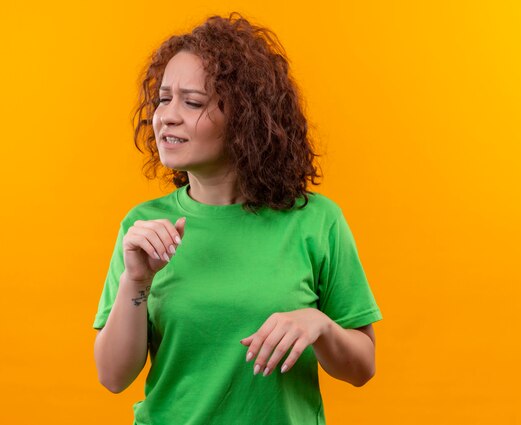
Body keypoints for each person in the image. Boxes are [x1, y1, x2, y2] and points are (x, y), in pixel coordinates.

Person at [93, 12, 382, 425]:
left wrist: (320, 325)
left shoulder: (317, 222)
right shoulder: (143, 229)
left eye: (192, 102)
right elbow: (113, 376)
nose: (167, 116)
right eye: (163, 99)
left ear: (246, 118)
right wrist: (136, 281)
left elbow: (362, 368)